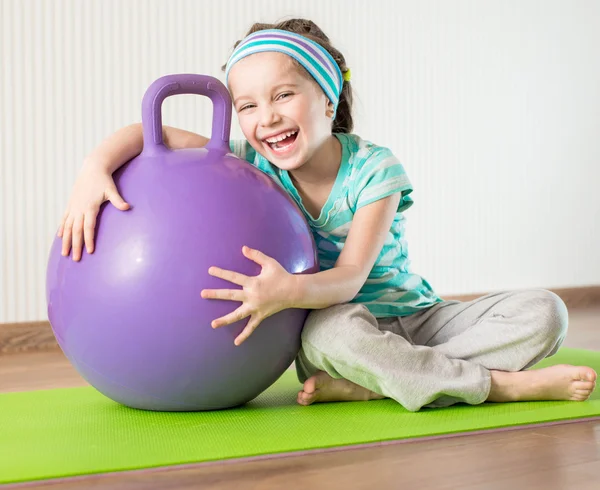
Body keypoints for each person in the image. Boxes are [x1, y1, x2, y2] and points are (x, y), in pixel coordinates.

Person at [57, 19, 596, 412]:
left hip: (419, 316)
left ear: (328, 100)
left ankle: (385, 382)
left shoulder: (375, 171)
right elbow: (158, 134)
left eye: (283, 95)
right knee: (325, 340)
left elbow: (351, 277)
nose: (266, 118)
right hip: (340, 328)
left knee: (547, 312)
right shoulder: (251, 164)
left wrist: (285, 291)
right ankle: (495, 386)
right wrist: (92, 168)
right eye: (246, 106)